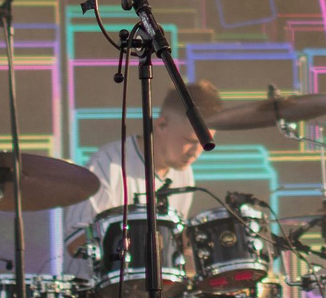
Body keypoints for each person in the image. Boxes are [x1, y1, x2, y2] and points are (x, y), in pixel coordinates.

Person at [61, 78, 222, 280]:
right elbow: (74, 242)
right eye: (190, 140)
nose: (196, 152)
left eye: (204, 143)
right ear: (162, 124)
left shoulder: (185, 175)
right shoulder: (107, 165)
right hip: (93, 291)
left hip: (148, 290)